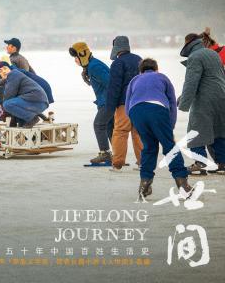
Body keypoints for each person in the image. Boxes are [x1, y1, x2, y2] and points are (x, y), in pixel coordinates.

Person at [126, 58, 192, 198]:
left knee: (149, 147)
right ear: (156, 69)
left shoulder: (134, 80)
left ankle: (144, 185)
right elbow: (172, 103)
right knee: (169, 146)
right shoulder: (162, 77)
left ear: (141, 70)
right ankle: (182, 184)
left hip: (136, 111)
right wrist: (170, 125)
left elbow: (127, 105)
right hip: (157, 109)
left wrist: (136, 122)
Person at [179, 34, 225, 174]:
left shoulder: (195, 57)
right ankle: (222, 163)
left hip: (204, 99)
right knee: (218, 130)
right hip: (221, 96)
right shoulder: (213, 53)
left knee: (196, 129)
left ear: (188, 44)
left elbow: (191, 82)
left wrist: (184, 104)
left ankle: (201, 163)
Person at [69, 42, 114, 165]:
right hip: (106, 101)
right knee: (109, 127)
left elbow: (110, 83)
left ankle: (105, 154)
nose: (75, 61)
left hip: (108, 101)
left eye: (76, 57)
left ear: (82, 55)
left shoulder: (95, 66)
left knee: (99, 124)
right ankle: (119, 154)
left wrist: (110, 102)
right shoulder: (92, 66)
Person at [106, 36, 143, 172]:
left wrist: (110, 107)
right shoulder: (139, 59)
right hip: (140, 102)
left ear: (116, 48)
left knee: (121, 131)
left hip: (124, 103)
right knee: (138, 132)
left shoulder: (118, 63)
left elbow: (114, 86)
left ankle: (117, 164)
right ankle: (142, 163)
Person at [0, 61, 49, 127]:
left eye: (5, 68)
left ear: (10, 69)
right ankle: (29, 121)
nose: (3, 71)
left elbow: (8, 96)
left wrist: (4, 112)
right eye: (0, 71)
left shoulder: (13, 74)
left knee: (7, 104)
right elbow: (2, 81)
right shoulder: (13, 76)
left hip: (36, 101)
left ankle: (32, 118)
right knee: (21, 123)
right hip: (39, 103)